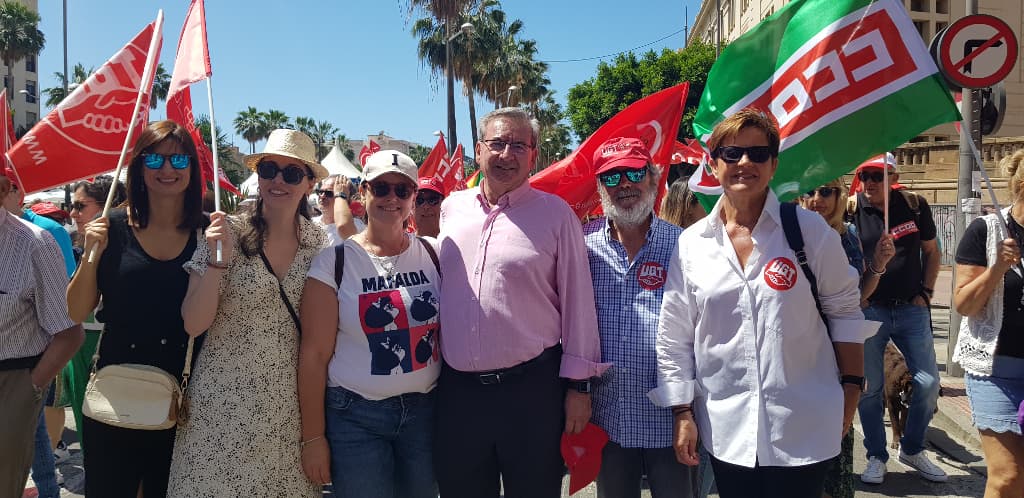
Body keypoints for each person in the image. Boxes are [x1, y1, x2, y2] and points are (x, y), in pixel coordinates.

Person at [650, 108, 873, 498]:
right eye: (732, 153)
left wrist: (852, 388)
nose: (744, 163)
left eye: (758, 153)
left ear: (774, 164)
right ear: (713, 163)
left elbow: (844, 311)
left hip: (803, 424)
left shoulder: (808, 231)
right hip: (727, 428)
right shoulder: (692, 244)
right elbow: (674, 337)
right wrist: (682, 412)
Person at [434, 107, 608, 498]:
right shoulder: (451, 209)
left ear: (534, 154)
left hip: (531, 393)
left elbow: (578, 305)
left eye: (518, 145)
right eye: (497, 144)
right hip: (459, 395)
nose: (506, 154)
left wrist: (579, 390)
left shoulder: (555, 215)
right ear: (478, 151)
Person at [167, 129, 327, 497]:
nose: (278, 181)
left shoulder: (321, 244)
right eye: (270, 169)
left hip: (290, 414)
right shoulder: (227, 233)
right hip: (220, 410)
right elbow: (193, 323)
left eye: (292, 173)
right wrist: (217, 263)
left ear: (309, 183)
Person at [66, 120, 207, 498]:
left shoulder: (207, 233)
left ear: (192, 169)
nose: (166, 170)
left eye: (179, 160)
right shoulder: (110, 228)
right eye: (154, 160)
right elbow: (77, 311)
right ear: (138, 167)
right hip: (116, 393)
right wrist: (90, 255)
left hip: (184, 400)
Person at [299, 150, 441, 497]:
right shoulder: (334, 262)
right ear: (362, 193)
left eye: (402, 190)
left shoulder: (435, 253)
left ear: (412, 199)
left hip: (424, 415)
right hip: (355, 418)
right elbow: (314, 356)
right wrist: (314, 437)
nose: (391, 198)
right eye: (381, 188)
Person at [582, 137, 694, 497]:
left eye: (633, 172)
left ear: (653, 178)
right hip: (607, 418)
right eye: (611, 178)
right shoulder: (581, 245)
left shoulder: (686, 246)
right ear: (600, 188)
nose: (624, 184)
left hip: (672, 418)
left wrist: (687, 413)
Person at [848, 156, 946, 484]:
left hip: (911, 308)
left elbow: (933, 252)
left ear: (894, 177)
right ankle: (876, 455)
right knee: (870, 388)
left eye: (878, 175)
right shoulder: (851, 210)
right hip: (870, 308)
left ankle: (913, 447)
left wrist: (927, 293)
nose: (870, 183)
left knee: (929, 383)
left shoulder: (915, 206)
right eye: (865, 176)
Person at [801, 178, 895, 498]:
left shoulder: (847, 236)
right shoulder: (785, 237)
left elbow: (855, 298)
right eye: (810, 192)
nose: (818, 199)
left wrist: (879, 267)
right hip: (797, 355)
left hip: (838, 356)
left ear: (840, 196)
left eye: (826, 191)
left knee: (836, 449)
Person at [0, 171, 83, 498]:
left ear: (5, 189)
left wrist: (30, 388)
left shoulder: (33, 243)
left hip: (11, 383)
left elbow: (68, 332)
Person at [952, 150, 1024, 497]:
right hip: (995, 370)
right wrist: (998, 270)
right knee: (1008, 475)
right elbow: (963, 304)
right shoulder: (987, 230)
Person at [64, 176, 127, 450]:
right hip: (80, 345)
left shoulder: (125, 244)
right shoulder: (90, 243)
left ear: (108, 205)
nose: (72, 213)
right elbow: (74, 307)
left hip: (101, 347)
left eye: (80, 206)